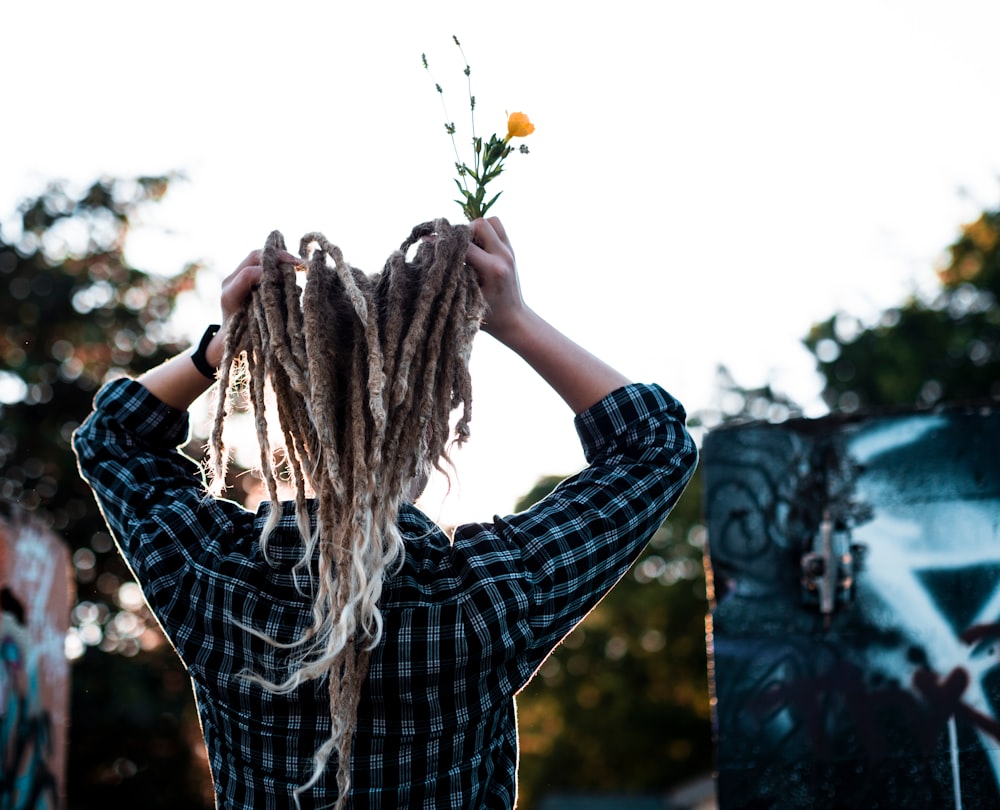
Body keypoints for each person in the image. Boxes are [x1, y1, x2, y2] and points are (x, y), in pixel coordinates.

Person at [73, 216, 698, 809]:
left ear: (293, 415)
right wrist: (513, 321)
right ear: (432, 422)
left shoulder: (213, 580)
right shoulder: (486, 597)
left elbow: (115, 438)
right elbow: (653, 445)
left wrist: (223, 344)